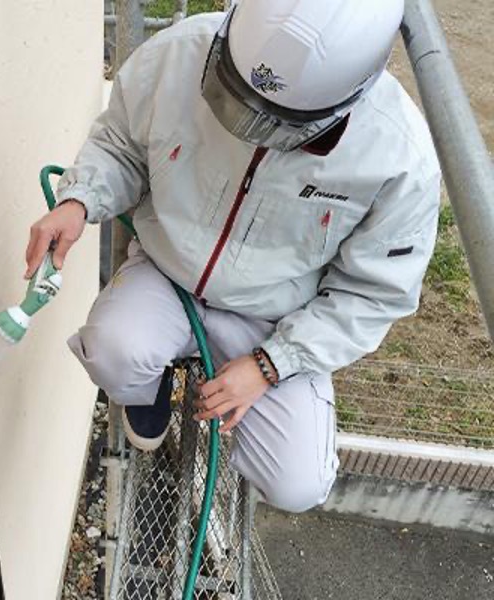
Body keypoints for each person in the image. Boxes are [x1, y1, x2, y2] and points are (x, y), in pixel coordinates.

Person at [24, 0, 440, 513]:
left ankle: (229, 380)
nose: (248, 128)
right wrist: (79, 199)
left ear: (351, 95)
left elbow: (373, 294)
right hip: (168, 272)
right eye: (235, 97)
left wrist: (271, 364)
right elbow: (121, 145)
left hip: (273, 316)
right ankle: (149, 381)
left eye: (280, 125)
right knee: (113, 352)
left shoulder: (398, 159)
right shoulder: (180, 53)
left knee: (298, 486)